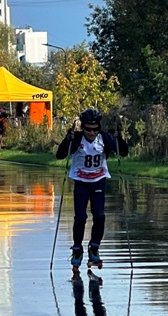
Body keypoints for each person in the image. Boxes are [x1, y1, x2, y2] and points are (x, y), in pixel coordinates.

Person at [55, 107, 129, 282]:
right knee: (80, 218)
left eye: (95, 129)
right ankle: (77, 249)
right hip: (81, 182)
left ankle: (94, 248)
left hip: (98, 181)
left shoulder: (104, 138)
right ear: (83, 127)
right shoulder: (78, 138)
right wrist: (67, 141)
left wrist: (119, 139)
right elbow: (60, 155)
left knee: (100, 216)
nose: (91, 132)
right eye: (88, 129)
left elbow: (123, 152)